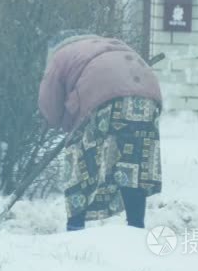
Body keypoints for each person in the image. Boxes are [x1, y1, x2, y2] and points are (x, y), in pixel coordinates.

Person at [38, 30, 163, 231]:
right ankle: (136, 225)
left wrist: (59, 122)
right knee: (134, 162)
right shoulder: (111, 44)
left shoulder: (60, 55)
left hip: (102, 96)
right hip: (148, 94)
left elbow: (49, 101)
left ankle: (75, 225)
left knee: (82, 159)